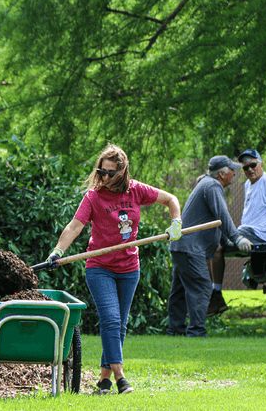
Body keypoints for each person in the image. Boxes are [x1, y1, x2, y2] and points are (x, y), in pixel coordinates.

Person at [44, 144, 182, 395]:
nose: (104, 177)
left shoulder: (136, 190)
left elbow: (171, 199)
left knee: (119, 326)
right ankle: (121, 378)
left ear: (122, 172)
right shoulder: (94, 196)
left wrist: (176, 223)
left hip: (129, 267)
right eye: (101, 171)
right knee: (110, 319)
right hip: (100, 267)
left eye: (110, 173)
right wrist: (58, 251)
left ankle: (104, 381)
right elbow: (75, 226)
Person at [167, 156, 251, 337]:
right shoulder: (213, 186)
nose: (234, 174)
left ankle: (175, 330)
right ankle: (196, 331)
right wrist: (237, 238)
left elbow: (211, 221)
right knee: (202, 287)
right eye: (231, 171)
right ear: (221, 174)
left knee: (180, 290)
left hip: (181, 247)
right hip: (190, 249)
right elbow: (222, 215)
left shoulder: (205, 184)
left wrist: (224, 241)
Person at [207, 149, 266, 317]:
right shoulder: (248, 184)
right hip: (247, 231)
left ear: (261, 164)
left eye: (253, 165)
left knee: (215, 242)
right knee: (213, 243)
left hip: (259, 235)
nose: (250, 170)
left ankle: (215, 295)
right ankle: (213, 293)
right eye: (245, 168)